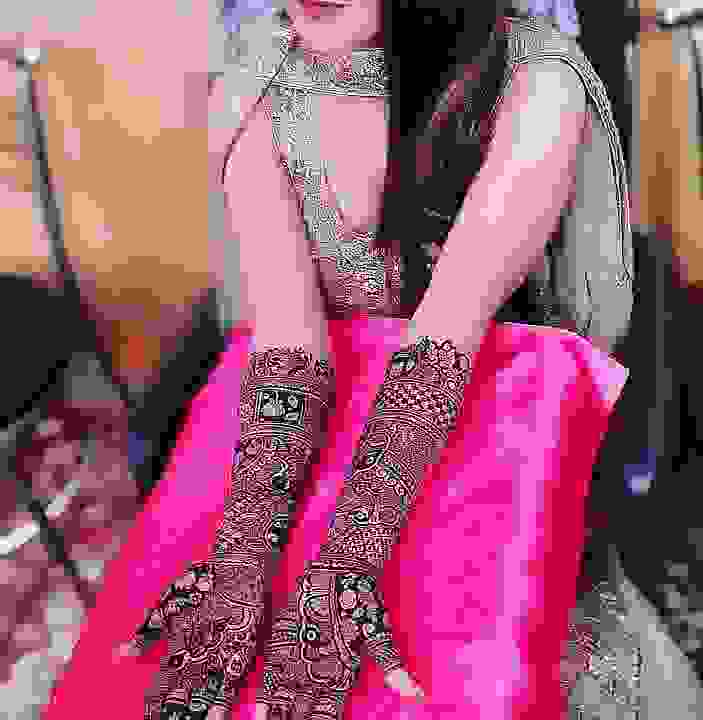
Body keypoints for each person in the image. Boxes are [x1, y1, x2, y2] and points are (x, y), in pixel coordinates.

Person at [45, 2, 633, 719]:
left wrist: (341, 571)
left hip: (493, 428)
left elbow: (444, 337)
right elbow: (289, 340)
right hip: (322, 416)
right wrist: (242, 561)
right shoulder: (262, 72)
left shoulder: (535, 79)